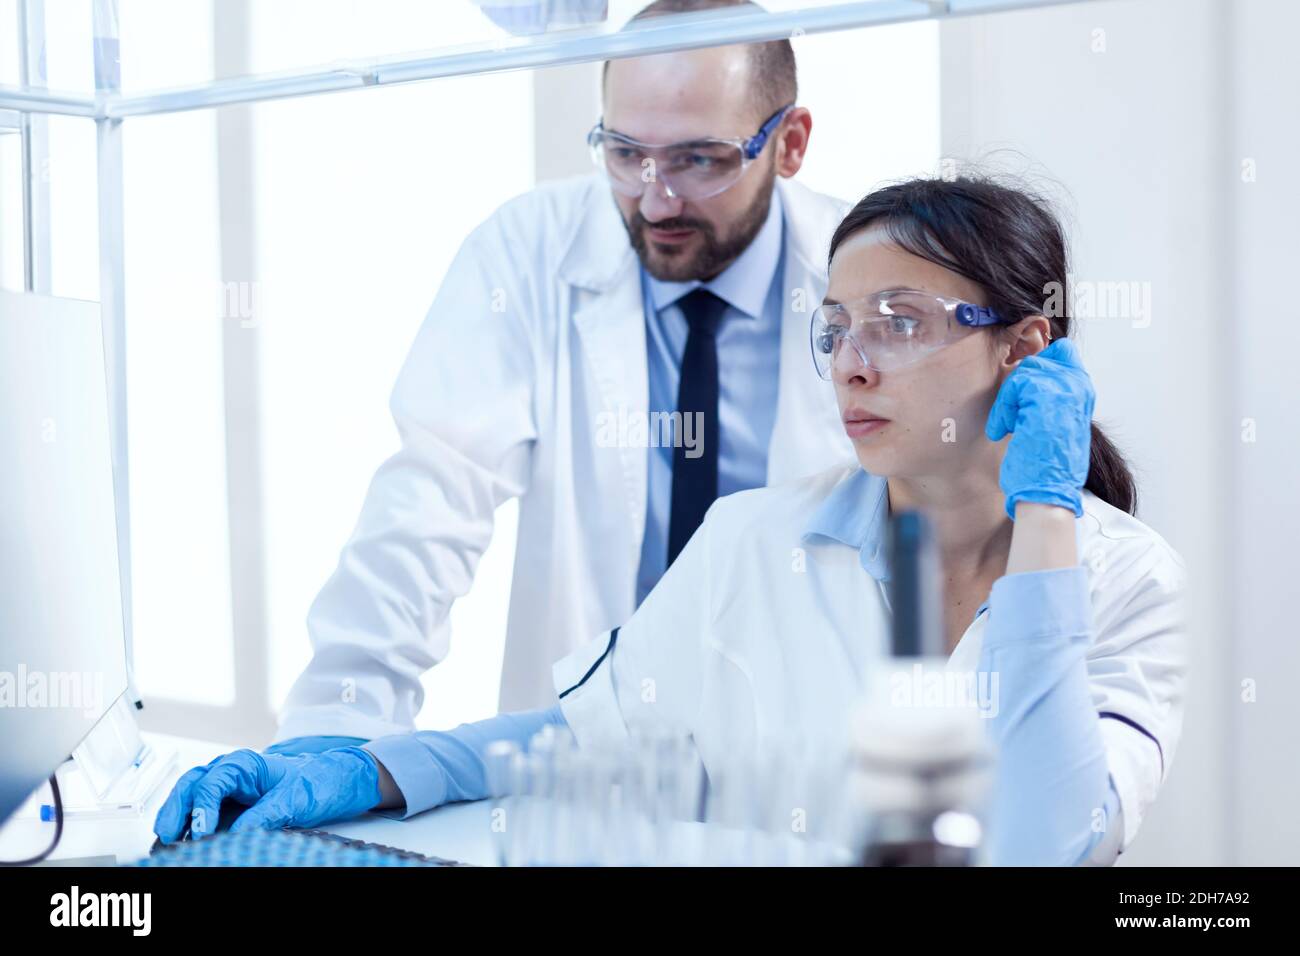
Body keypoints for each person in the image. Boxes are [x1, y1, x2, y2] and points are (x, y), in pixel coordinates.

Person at [156, 174, 1186, 866]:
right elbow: (579, 738)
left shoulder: (1127, 578)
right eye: (833, 328)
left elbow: (1053, 840)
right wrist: (369, 765)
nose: (852, 362)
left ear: (1025, 349)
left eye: (900, 322)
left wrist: (1046, 519)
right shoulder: (753, 539)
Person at [269, 0, 853, 753]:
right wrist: (335, 727)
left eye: (697, 159)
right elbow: (425, 509)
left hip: (800, 758)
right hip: (592, 756)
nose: (654, 198)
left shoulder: (864, 283)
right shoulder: (529, 252)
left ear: (791, 142)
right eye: (624, 153)